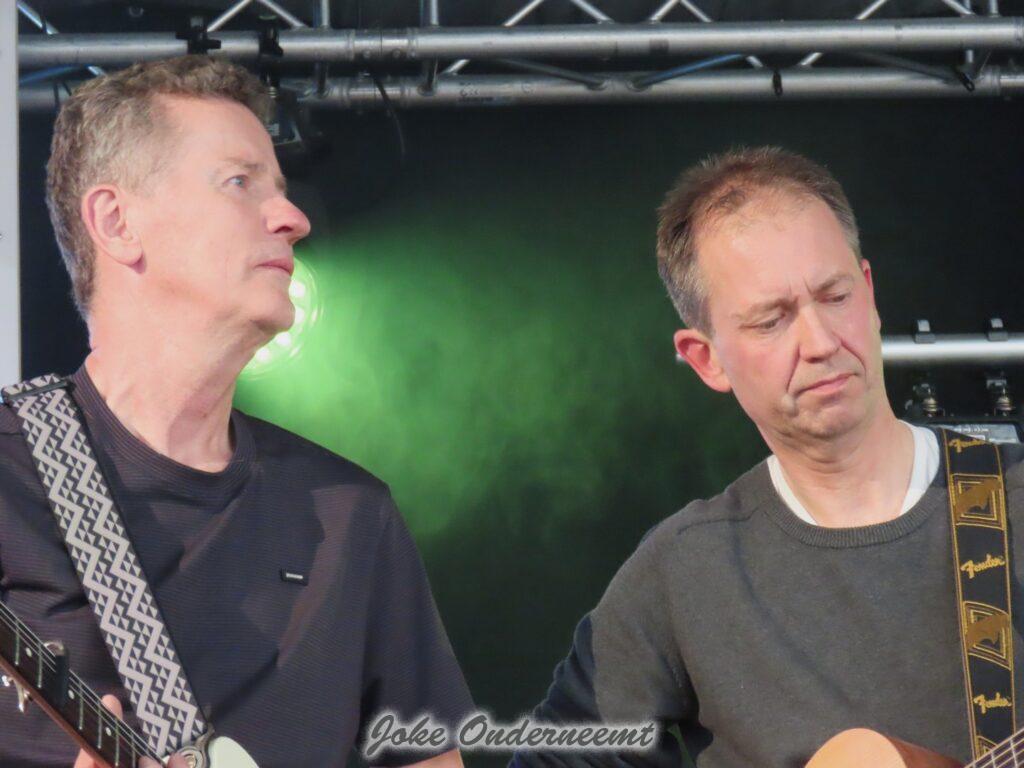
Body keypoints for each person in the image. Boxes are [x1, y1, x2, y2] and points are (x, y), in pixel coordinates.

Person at [0, 56, 473, 768]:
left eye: (279, 189)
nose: (294, 218)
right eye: (239, 182)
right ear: (117, 222)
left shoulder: (348, 512)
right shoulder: (11, 477)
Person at [512, 146, 1024, 767]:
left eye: (834, 297)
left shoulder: (1013, 500)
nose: (820, 341)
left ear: (869, 293)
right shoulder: (684, 572)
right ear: (707, 359)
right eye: (771, 320)